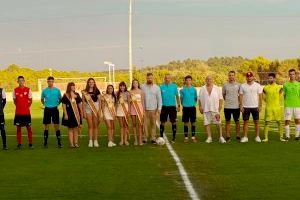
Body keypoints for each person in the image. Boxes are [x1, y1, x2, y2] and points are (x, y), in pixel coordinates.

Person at [199, 76, 226, 143]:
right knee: (207, 124)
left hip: (215, 109)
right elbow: (199, 99)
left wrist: (220, 106)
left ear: (212, 80)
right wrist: (200, 107)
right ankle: (209, 137)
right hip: (206, 109)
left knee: (218, 123)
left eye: (210, 79)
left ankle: (221, 137)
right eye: (207, 79)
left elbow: (221, 98)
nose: (209, 80)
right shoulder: (202, 88)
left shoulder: (217, 88)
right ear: (205, 80)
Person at [239, 72, 263, 143]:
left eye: (250, 76)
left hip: (255, 106)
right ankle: (245, 137)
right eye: (248, 77)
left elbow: (260, 96)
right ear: (246, 78)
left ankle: (257, 136)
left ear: (253, 77)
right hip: (246, 107)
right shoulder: (243, 86)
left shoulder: (258, 85)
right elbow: (240, 96)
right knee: (245, 122)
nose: (249, 78)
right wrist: (241, 105)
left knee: (256, 122)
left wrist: (260, 105)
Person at [262, 73, 286, 142]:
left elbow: (281, 97)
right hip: (269, 108)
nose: (270, 79)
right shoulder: (265, 88)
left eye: (271, 78)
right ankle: (266, 138)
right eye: (269, 78)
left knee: (279, 122)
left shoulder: (279, 87)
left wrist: (276, 102)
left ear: (274, 79)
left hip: (277, 108)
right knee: (267, 123)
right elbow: (263, 97)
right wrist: (269, 101)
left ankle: (281, 137)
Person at [41, 76, 62, 148]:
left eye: (52, 81)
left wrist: (56, 104)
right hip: (47, 109)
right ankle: (45, 142)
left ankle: (59, 142)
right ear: (47, 82)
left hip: (55, 109)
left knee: (56, 125)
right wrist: (46, 104)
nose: (50, 83)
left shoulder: (57, 90)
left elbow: (60, 99)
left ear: (53, 82)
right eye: (49, 81)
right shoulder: (44, 91)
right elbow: (42, 99)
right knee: (46, 126)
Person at [141, 73, 162, 144]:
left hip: (154, 109)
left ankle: (153, 138)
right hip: (144, 109)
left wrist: (159, 108)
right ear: (146, 78)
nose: (149, 79)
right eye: (148, 78)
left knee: (153, 124)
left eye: (151, 78)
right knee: (145, 124)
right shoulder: (142, 87)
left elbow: (159, 99)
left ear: (153, 78)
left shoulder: (157, 87)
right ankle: (145, 138)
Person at [13, 76, 33, 149]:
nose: (21, 82)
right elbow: (15, 101)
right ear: (17, 82)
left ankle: (30, 143)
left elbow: (30, 100)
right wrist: (19, 107)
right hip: (18, 113)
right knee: (18, 129)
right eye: (19, 81)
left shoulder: (28, 90)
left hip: (26, 113)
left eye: (22, 80)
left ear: (24, 81)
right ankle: (19, 144)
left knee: (29, 128)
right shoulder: (15, 90)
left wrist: (26, 107)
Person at [160, 74, 180, 143]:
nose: (167, 79)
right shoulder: (161, 87)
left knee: (173, 122)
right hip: (164, 106)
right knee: (162, 122)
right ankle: (161, 137)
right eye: (166, 78)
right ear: (164, 79)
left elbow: (177, 96)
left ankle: (174, 138)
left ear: (170, 78)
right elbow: (159, 98)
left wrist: (179, 105)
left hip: (172, 107)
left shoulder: (174, 86)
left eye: (168, 78)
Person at [61, 82, 83, 148]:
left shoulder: (77, 94)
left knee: (76, 129)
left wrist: (81, 112)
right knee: (70, 129)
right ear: (69, 87)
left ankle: (76, 143)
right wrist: (65, 114)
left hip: (76, 114)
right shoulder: (65, 95)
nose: (73, 87)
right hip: (69, 113)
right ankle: (71, 144)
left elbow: (79, 104)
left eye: (74, 86)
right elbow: (63, 105)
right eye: (72, 86)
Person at [82, 78, 102, 147]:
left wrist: (99, 110)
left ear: (94, 83)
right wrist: (83, 112)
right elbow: (83, 102)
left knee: (95, 126)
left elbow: (100, 101)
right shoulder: (84, 91)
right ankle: (90, 141)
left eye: (92, 82)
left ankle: (95, 141)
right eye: (90, 82)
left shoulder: (97, 90)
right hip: (87, 108)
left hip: (95, 108)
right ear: (88, 83)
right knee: (90, 126)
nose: (91, 83)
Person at [222, 71, 241, 142]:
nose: (231, 76)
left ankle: (238, 135)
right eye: (230, 75)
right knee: (227, 122)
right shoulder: (225, 85)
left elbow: (240, 95)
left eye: (232, 75)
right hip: (227, 107)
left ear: (235, 76)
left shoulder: (239, 85)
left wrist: (239, 103)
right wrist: (228, 100)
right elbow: (223, 95)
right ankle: (228, 136)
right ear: (228, 76)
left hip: (236, 107)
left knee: (237, 121)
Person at [180, 75, 198, 143]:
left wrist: (192, 103)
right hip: (185, 108)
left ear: (191, 81)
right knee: (186, 123)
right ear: (185, 81)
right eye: (187, 80)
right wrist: (184, 104)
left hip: (192, 108)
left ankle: (193, 137)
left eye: (189, 80)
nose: (188, 81)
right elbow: (181, 99)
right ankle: (186, 137)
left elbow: (195, 99)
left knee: (193, 122)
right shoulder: (182, 90)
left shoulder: (194, 89)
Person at [283, 69, 300, 140]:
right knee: (287, 121)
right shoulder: (285, 84)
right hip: (288, 105)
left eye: (293, 74)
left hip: (297, 105)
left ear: (295, 75)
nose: (292, 75)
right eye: (290, 74)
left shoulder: (299, 84)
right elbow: (284, 95)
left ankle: (297, 135)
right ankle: (287, 136)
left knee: (298, 120)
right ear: (289, 75)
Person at [129, 79, 145, 145]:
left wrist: (143, 110)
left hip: (140, 109)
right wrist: (129, 110)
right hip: (133, 109)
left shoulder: (141, 91)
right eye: (134, 83)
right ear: (132, 84)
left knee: (140, 125)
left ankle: (140, 140)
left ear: (138, 84)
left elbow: (143, 102)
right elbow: (129, 102)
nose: (135, 84)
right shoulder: (130, 92)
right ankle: (135, 140)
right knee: (134, 125)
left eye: (136, 83)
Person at [116, 82, 130, 146]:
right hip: (119, 110)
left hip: (126, 109)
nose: (122, 87)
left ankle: (126, 140)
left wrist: (129, 111)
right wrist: (115, 111)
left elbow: (129, 103)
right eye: (121, 86)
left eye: (123, 86)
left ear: (125, 86)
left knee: (125, 125)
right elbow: (115, 103)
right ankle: (121, 140)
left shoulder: (127, 93)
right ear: (119, 87)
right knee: (121, 126)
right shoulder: (117, 93)